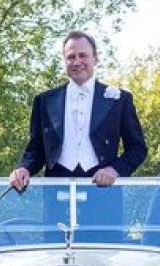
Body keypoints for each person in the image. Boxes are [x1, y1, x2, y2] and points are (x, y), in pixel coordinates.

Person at [8, 31, 147, 190]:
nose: (77, 62)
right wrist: (24, 168)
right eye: (71, 57)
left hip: (104, 191)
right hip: (57, 190)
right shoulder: (45, 101)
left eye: (83, 55)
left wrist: (114, 170)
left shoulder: (119, 100)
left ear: (95, 58)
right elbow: (36, 148)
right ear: (64, 60)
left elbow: (137, 148)